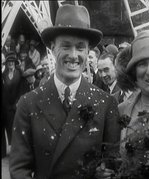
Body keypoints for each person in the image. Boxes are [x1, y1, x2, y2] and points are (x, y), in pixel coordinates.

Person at [9, 5, 121, 179]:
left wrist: (105, 171)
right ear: (53, 48)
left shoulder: (106, 104)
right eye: (66, 46)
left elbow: (112, 165)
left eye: (80, 47)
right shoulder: (28, 104)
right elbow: (19, 169)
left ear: (88, 50)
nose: (74, 55)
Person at [2, 51, 22, 145]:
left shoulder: (19, 73)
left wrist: (18, 102)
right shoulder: (3, 75)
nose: (10, 63)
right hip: (7, 106)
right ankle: (13, 147)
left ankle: (18, 148)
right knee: (9, 127)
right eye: (9, 61)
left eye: (12, 61)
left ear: (15, 62)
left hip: (17, 105)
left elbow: (22, 89)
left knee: (18, 128)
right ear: (6, 63)